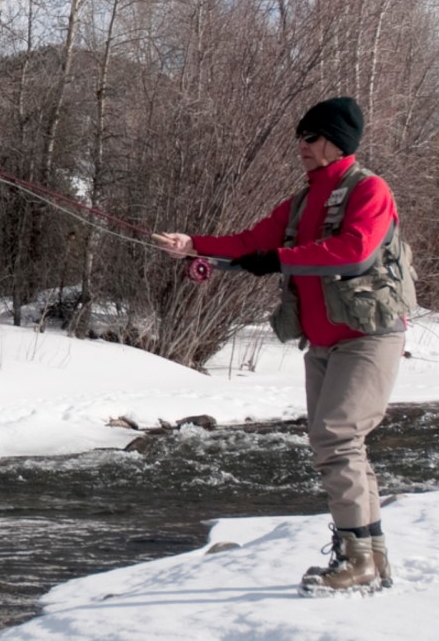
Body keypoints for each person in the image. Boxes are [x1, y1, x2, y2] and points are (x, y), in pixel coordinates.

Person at [153, 96, 417, 596]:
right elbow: (251, 241)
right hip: (323, 341)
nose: (301, 145)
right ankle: (371, 557)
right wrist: (193, 245)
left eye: (311, 137)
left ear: (336, 141)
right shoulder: (302, 200)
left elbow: (355, 251)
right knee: (336, 444)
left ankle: (356, 557)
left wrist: (276, 259)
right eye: (300, 136)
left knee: (336, 438)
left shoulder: (369, 190)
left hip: (369, 337)